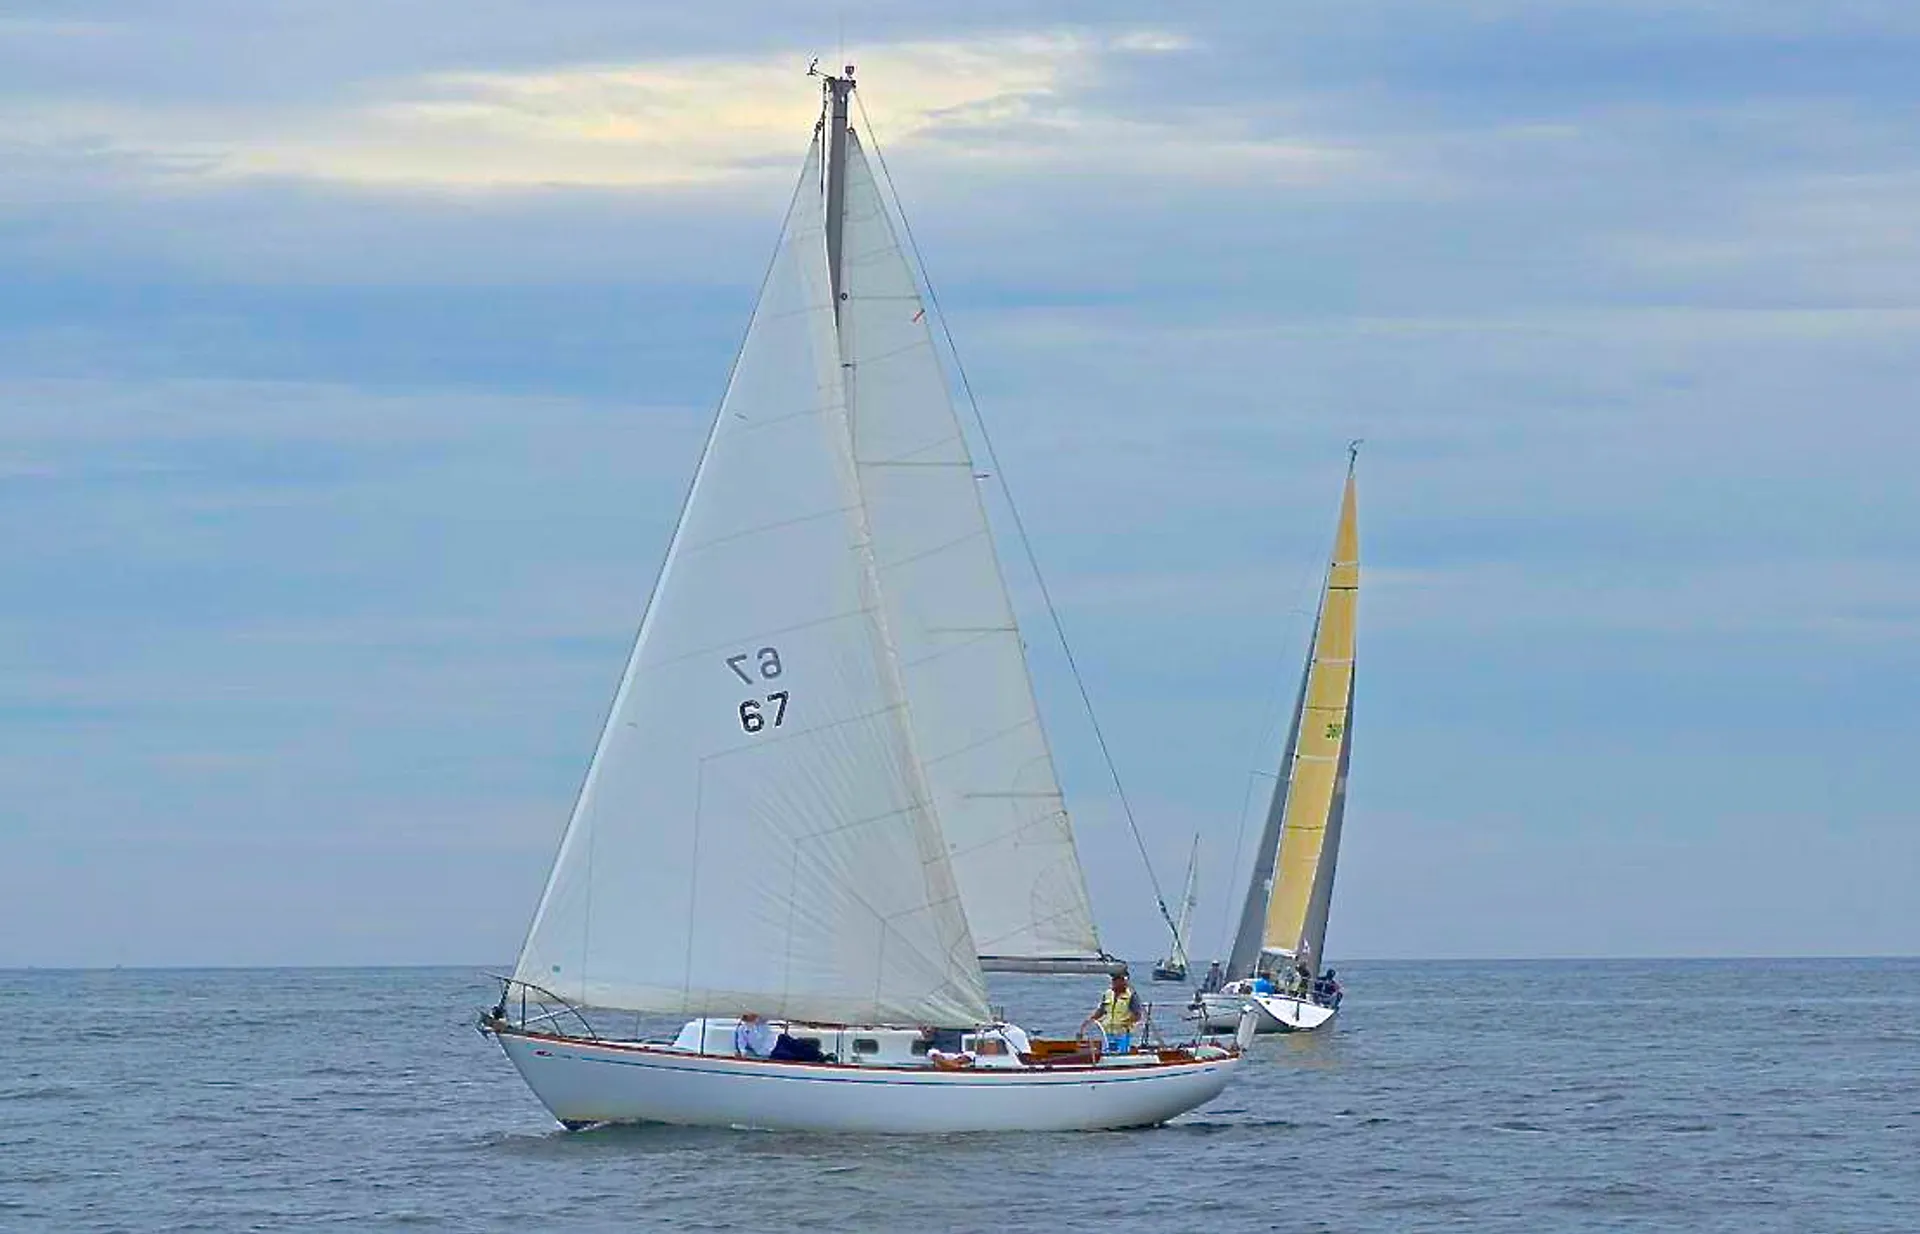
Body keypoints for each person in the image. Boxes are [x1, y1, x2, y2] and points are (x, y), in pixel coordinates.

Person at [1086, 971, 1143, 1054]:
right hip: (1107, 1032)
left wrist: (1126, 1022)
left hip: (1122, 1033)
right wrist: (1090, 1020)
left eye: (1117, 979)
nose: (1114, 982)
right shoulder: (1107, 994)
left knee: (1121, 1053)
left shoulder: (1131, 995)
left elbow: (1137, 1015)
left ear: (1124, 981)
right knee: (1106, 1052)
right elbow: (1101, 1010)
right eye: (1113, 980)